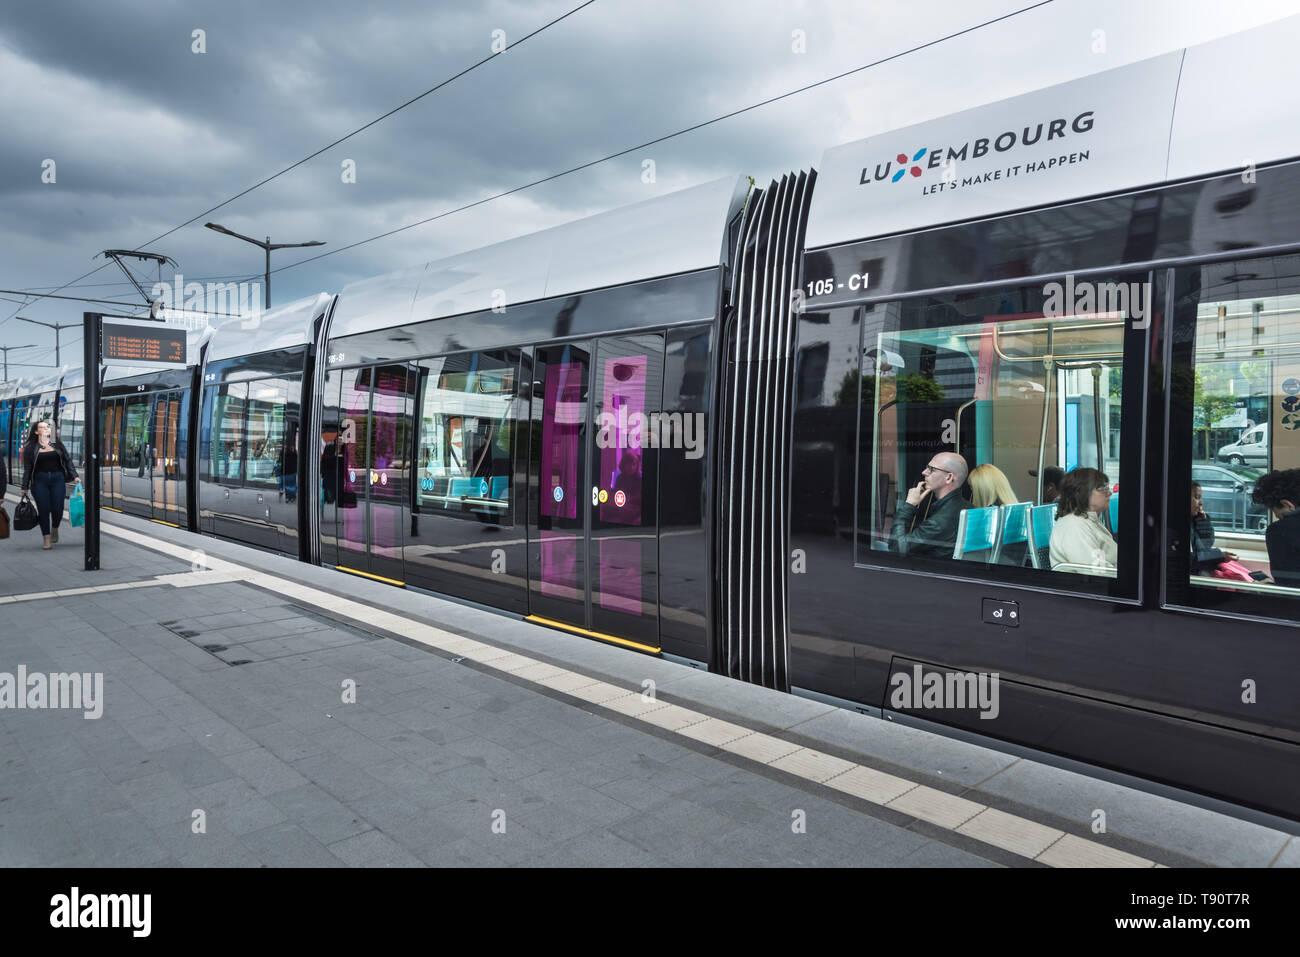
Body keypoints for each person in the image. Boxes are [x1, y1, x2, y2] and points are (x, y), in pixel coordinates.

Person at [891, 451, 968, 557]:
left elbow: (897, 548)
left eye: (931, 469)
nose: (924, 472)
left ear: (949, 477)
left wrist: (909, 505)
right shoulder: (968, 508)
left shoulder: (939, 523)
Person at [20, 420, 80, 550]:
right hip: (39, 480)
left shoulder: (57, 444)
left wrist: (75, 475)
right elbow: (28, 468)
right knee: (44, 509)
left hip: (57, 478)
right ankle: (46, 538)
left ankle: (55, 528)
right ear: (36, 432)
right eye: (42, 427)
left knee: (58, 508)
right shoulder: (30, 447)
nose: (46, 429)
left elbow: (67, 460)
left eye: (48, 427)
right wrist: (24, 487)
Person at [1049, 467, 1117, 574]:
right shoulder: (1073, 526)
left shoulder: (1088, 520)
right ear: (1081, 493)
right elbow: (1096, 571)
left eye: (1107, 487)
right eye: (1102, 488)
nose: (1109, 493)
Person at [1250, 468, 1300, 587]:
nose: (1278, 517)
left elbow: (1288, 587)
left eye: (1277, 513)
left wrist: (1270, 586)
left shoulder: (1279, 531)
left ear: (1287, 505)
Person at [1191, 480, 1238, 574]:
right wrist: (1219, 555)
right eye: (1197, 497)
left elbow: (1207, 545)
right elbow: (1193, 558)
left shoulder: (1195, 520)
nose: (1201, 503)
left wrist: (1203, 522)